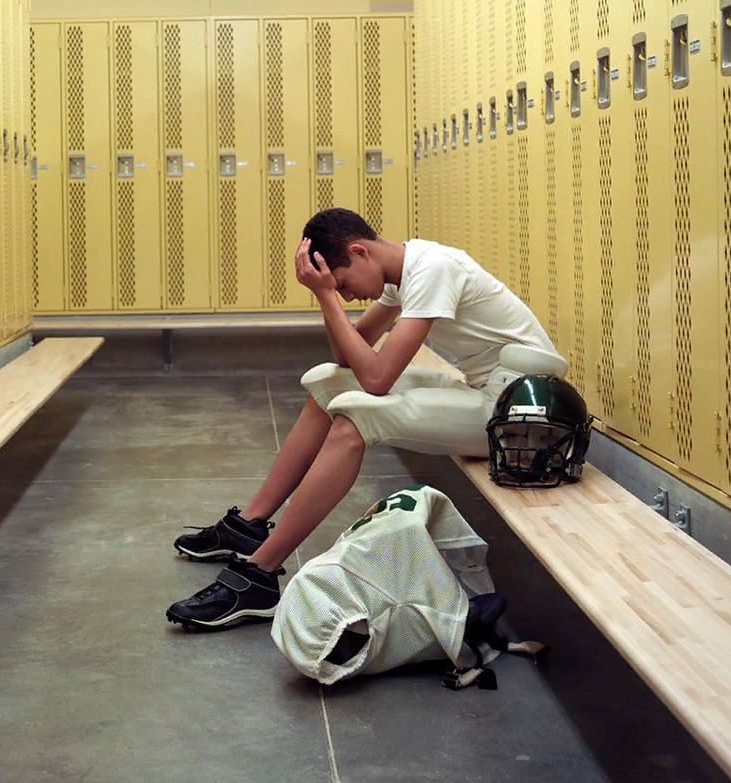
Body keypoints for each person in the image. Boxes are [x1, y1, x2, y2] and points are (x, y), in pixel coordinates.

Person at [165, 207, 568, 631]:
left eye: (343, 284)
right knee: (327, 384)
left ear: (359, 252)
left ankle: (258, 577)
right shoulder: (401, 274)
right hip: (487, 393)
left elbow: (375, 380)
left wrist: (324, 298)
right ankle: (249, 525)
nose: (347, 296)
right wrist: (328, 294)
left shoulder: (431, 270)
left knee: (356, 418)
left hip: (520, 421)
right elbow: (346, 359)